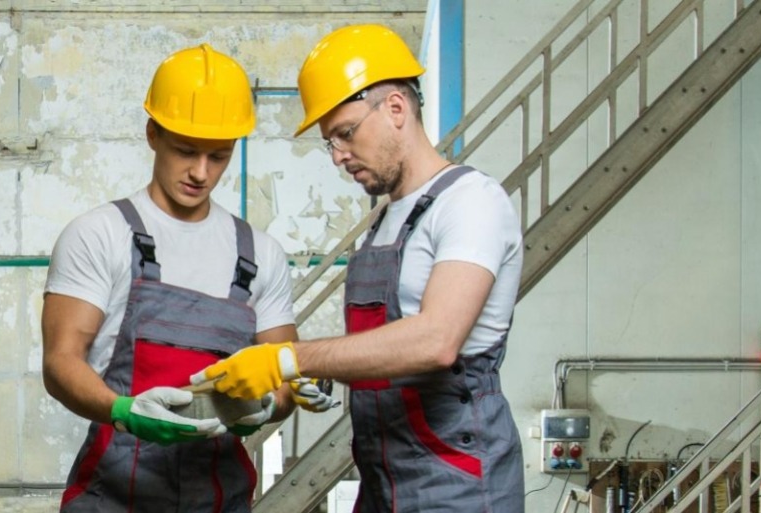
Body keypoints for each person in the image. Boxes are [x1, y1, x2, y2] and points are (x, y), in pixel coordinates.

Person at [190, 24, 526, 511]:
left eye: (345, 134)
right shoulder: (385, 220)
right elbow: (383, 347)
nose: (339, 156)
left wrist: (288, 360)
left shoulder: (471, 202)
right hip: (383, 478)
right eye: (331, 143)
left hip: (457, 480)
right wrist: (322, 377)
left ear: (395, 108)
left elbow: (435, 341)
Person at [42, 43, 328, 513]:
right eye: (186, 151)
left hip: (219, 500)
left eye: (218, 156)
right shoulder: (99, 235)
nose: (200, 173)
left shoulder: (260, 255)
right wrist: (124, 411)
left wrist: (263, 409)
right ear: (153, 132)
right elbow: (60, 362)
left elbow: (282, 377)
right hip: (113, 499)